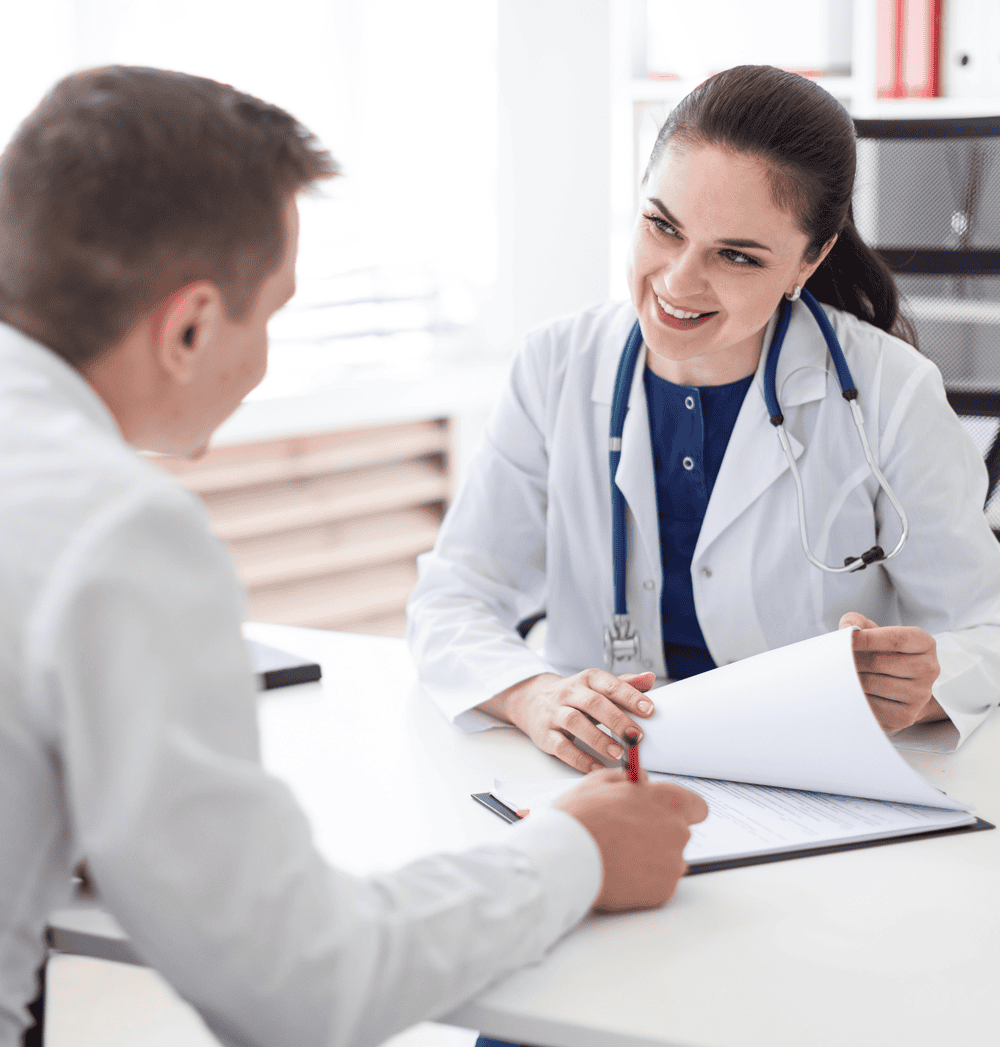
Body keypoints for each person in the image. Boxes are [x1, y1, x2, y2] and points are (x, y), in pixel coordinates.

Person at [0, 67, 709, 1047]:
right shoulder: (114, 532)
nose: (265, 360)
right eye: (273, 315)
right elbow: (297, 986)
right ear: (192, 325)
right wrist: (576, 851)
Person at [407, 65, 1000, 774]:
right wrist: (533, 695)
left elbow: (985, 628)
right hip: (601, 777)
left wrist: (926, 682)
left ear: (808, 261)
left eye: (738, 256)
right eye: (663, 225)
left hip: (810, 775)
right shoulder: (555, 365)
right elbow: (454, 596)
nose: (678, 281)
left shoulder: (890, 392)